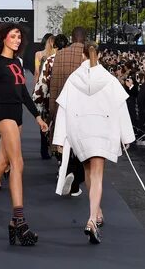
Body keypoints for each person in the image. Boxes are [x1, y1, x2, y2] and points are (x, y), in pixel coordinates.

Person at [53, 43, 135, 244]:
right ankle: (92, 219)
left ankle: (96, 211)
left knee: (89, 172)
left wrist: (59, 138)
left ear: (83, 55)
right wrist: (127, 136)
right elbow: (120, 106)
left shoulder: (73, 79)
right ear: (98, 55)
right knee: (97, 175)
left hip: (81, 130)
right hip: (103, 129)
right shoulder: (109, 79)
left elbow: (63, 108)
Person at [0, 22, 48, 246]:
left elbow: (24, 95)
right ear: (2, 38)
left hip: (17, 117)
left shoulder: (17, 64)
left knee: (0, 167)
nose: (18, 40)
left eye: (19, 36)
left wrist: (37, 117)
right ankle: (18, 222)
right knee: (18, 164)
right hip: (3, 115)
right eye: (13, 36)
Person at [49, 28, 87, 196]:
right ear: (85, 39)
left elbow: (54, 85)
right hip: (84, 109)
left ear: (72, 38)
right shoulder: (89, 55)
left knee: (65, 143)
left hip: (64, 106)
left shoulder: (60, 54)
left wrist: (52, 112)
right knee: (81, 147)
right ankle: (75, 180)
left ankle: (65, 169)